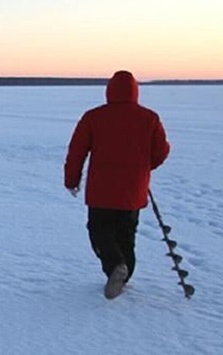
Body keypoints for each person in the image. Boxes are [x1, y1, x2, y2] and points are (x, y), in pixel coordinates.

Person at [64, 70, 169, 299]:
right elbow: (161, 151)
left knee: (99, 231)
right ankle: (123, 273)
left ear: (109, 91)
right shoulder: (149, 118)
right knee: (126, 234)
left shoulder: (93, 117)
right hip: (133, 190)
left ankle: (116, 268)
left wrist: (71, 180)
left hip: (102, 192)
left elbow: (77, 151)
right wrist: (143, 167)